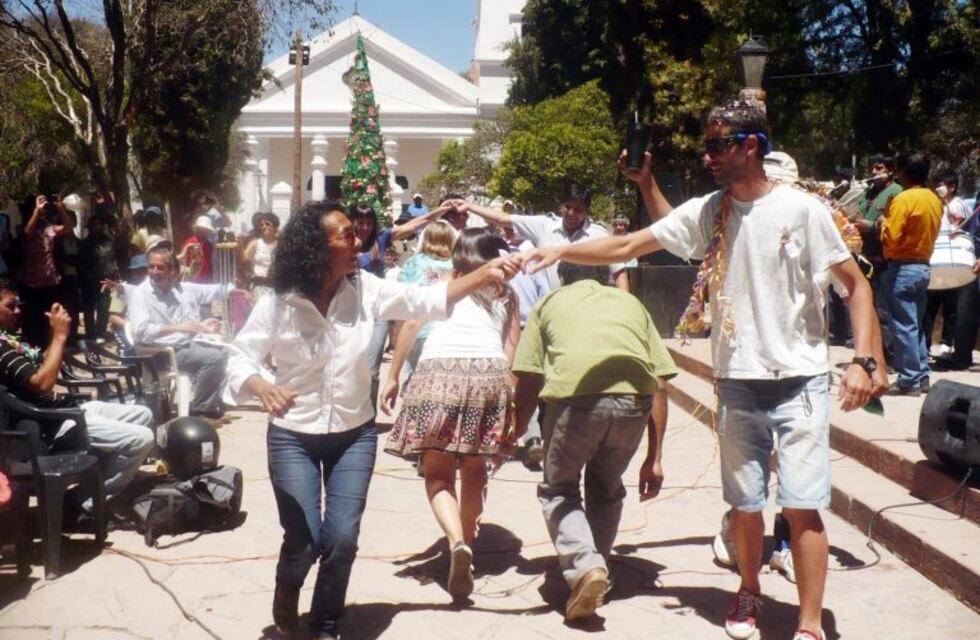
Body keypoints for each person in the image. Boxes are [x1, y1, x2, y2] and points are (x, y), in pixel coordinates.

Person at [523, 98, 888, 640]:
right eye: (706, 146)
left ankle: (810, 625)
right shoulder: (709, 210)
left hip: (800, 382)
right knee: (744, 505)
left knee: (803, 504)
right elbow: (629, 243)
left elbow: (856, 287)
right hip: (738, 382)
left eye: (719, 146)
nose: (709, 156)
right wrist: (556, 252)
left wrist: (865, 361)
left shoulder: (803, 210)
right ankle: (749, 589)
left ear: (751, 146)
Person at [223, 202, 521, 639]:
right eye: (345, 235)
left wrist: (486, 272)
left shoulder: (365, 289)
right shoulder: (280, 303)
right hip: (293, 436)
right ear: (314, 248)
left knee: (342, 538)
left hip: (353, 436)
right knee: (304, 540)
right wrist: (261, 385)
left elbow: (425, 300)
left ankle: (326, 622)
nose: (357, 241)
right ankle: (288, 588)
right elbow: (239, 357)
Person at [512, 261, 677, 620]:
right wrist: (655, 457)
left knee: (558, 490)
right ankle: (594, 570)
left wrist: (516, 427)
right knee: (606, 487)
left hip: (576, 403)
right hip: (634, 404)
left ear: (562, 276)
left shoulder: (549, 303)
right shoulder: (630, 304)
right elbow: (660, 383)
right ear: (605, 276)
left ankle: (587, 568)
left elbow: (528, 377)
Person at [382, 228, 522, 603]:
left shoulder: (443, 283)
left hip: (437, 374)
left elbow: (410, 325)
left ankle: (456, 542)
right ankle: (469, 545)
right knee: (475, 469)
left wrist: (394, 375)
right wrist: (504, 399)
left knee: (439, 475)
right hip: (488, 374)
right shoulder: (508, 295)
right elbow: (510, 353)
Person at [0, 281, 153, 516]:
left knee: (143, 414)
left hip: (59, 412)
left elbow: (41, 367)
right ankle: (83, 506)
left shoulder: (8, 341)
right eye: (11, 306)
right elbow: (42, 383)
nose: (18, 311)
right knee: (142, 438)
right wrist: (61, 337)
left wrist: (55, 334)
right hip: (46, 426)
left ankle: (99, 483)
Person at [351, 202, 461, 409]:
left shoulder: (381, 239)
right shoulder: (343, 241)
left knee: (371, 367)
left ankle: (368, 418)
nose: (364, 227)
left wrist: (440, 211)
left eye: (368, 222)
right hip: (349, 310)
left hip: (377, 313)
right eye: (360, 222)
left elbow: (414, 224)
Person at [129, 245, 237, 419]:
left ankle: (211, 403)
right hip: (158, 354)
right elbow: (141, 332)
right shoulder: (141, 294)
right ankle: (201, 409)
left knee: (227, 350)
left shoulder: (175, 290)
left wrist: (234, 290)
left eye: (160, 267)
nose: (155, 271)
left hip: (180, 345)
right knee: (216, 357)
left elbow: (207, 292)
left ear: (171, 271)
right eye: (151, 267)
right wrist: (180, 327)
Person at [460, 186, 628, 291]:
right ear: (561, 206)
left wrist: (624, 305)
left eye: (578, 209)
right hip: (550, 309)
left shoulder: (600, 235)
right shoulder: (544, 225)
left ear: (586, 211)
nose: (571, 213)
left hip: (590, 310)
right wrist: (468, 205)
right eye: (567, 207)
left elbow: (619, 270)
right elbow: (502, 219)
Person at [879, 152, 942, 396]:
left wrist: (883, 220)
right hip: (923, 267)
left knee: (903, 325)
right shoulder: (934, 199)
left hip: (903, 267)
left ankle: (908, 380)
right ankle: (922, 374)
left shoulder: (903, 199)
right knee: (916, 324)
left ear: (904, 173)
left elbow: (891, 239)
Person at [853, 154, 904, 359]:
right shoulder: (869, 192)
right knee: (869, 305)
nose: (874, 172)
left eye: (879, 168)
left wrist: (871, 226)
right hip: (867, 256)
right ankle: (873, 350)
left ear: (890, 171)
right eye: (872, 169)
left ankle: (888, 355)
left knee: (884, 309)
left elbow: (893, 224)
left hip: (885, 258)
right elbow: (859, 213)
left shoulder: (897, 193)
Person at [394, 221, 457, 380]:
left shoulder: (413, 263)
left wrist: (397, 333)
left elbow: (402, 299)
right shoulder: (457, 266)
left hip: (417, 331)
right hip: (448, 330)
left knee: (417, 378)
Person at [923, 174, 972, 358]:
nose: (937, 187)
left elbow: (959, 222)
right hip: (936, 259)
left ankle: (946, 344)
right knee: (930, 306)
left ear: (952, 187)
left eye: (941, 184)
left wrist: (947, 204)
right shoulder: (935, 204)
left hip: (953, 261)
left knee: (951, 307)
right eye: (936, 184)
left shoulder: (959, 204)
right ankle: (925, 344)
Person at [17, 195, 74, 346]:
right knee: (31, 319)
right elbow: (27, 232)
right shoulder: (24, 227)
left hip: (49, 281)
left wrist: (61, 209)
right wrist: (37, 211)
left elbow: (68, 228)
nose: (43, 212)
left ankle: (47, 348)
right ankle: (33, 347)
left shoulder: (49, 229)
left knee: (48, 318)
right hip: (30, 282)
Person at [79, 215, 119, 341]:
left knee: (103, 308)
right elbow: (81, 263)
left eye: (99, 224)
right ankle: (90, 334)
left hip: (105, 281)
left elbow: (114, 260)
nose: (97, 227)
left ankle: (101, 333)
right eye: (94, 224)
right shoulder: (84, 244)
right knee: (88, 309)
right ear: (89, 227)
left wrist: (114, 277)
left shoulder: (111, 242)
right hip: (88, 281)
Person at [243, 212, 279, 300]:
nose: (264, 226)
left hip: (276, 289)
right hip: (260, 288)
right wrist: (240, 243)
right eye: (262, 224)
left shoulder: (281, 245)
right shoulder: (255, 243)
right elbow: (243, 259)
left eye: (267, 224)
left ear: (275, 227)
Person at [180, 216, 217, 283]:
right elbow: (184, 261)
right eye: (202, 229)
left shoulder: (209, 245)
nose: (205, 232)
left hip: (207, 280)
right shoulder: (190, 242)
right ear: (197, 229)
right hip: (193, 279)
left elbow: (209, 264)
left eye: (207, 230)